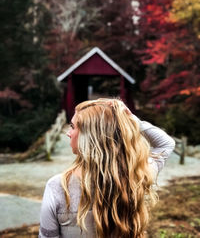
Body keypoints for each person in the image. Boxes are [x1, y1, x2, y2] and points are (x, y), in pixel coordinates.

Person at [39, 98, 175, 238]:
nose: (68, 133)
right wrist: (132, 120)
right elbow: (166, 144)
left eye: (73, 127)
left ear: (90, 137)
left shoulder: (59, 187)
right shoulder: (135, 177)